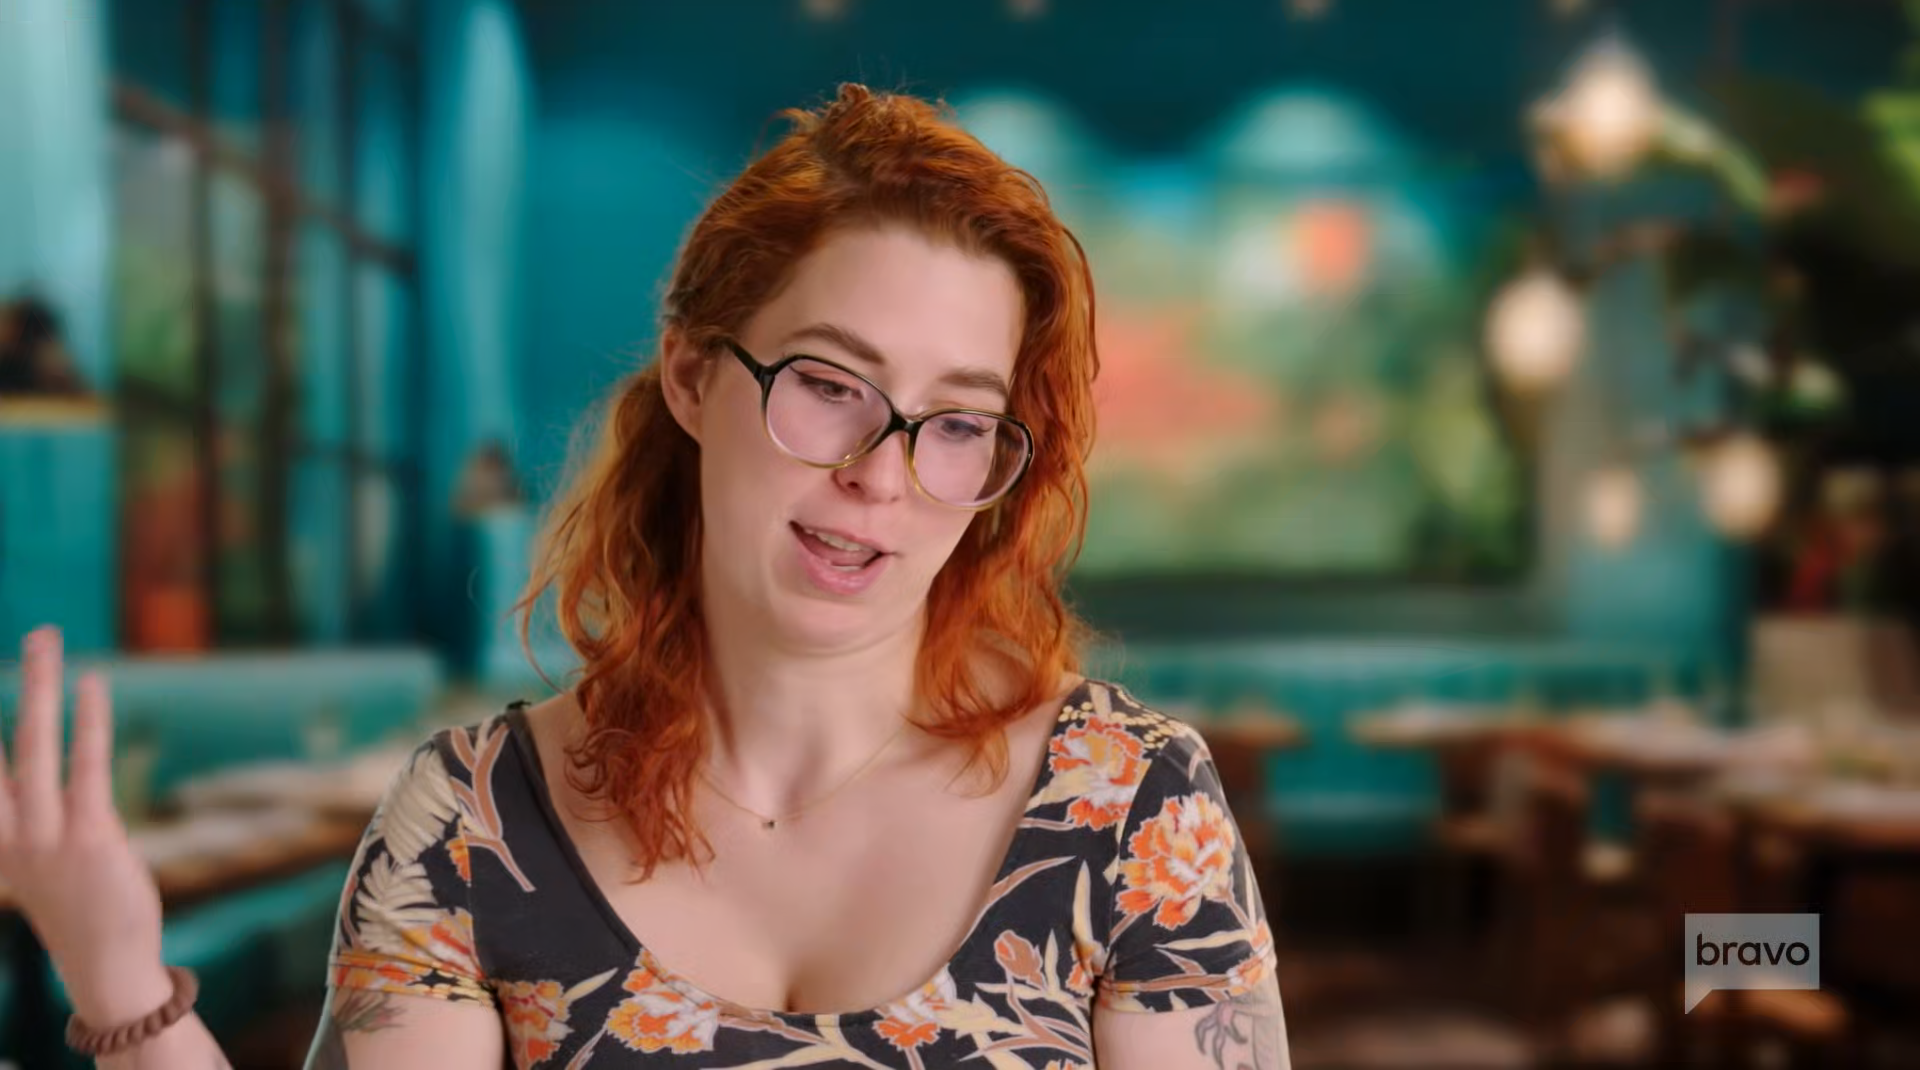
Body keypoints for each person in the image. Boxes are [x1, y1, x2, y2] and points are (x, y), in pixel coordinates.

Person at [0, 84, 1288, 1069]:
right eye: (830, 385)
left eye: (956, 422)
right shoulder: (467, 824)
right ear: (690, 376)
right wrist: (120, 982)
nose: (882, 477)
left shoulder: (1135, 811)